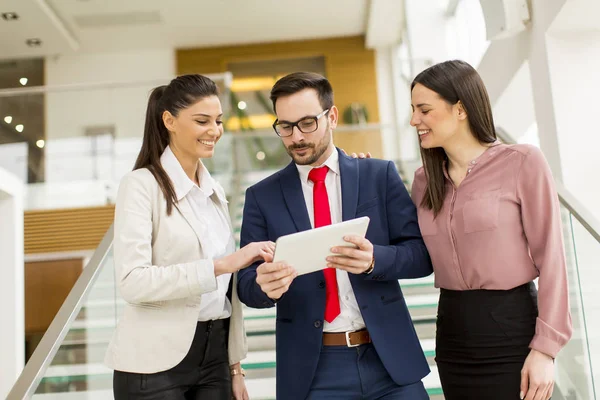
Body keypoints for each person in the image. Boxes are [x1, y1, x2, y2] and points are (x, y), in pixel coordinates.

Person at [237, 72, 434, 400]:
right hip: (314, 371)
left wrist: (374, 260)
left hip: (389, 361)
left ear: (332, 117)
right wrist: (262, 287)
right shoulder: (261, 197)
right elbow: (245, 285)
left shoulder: (378, 175)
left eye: (307, 123)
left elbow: (420, 254)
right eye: (285, 127)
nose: (296, 137)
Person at [409, 60, 572, 400]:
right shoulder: (424, 182)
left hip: (511, 330)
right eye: (413, 110)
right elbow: (409, 251)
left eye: (424, 110)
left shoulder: (522, 162)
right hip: (452, 333)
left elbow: (552, 259)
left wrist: (545, 350)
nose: (414, 121)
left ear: (460, 109)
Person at [104, 74, 275, 400]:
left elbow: (227, 295)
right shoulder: (140, 185)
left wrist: (235, 366)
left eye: (219, 121)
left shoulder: (214, 191)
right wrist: (221, 265)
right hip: (152, 364)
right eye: (202, 121)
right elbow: (132, 281)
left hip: (215, 358)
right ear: (169, 120)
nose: (215, 131)